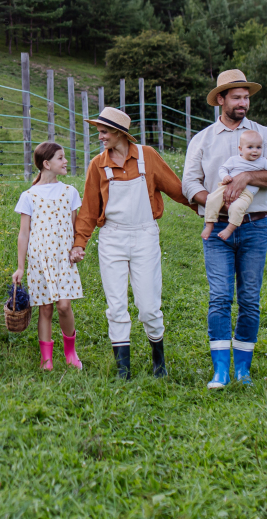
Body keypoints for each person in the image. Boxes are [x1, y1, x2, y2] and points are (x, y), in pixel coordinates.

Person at [72, 107, 194, 380]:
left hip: (144, 236)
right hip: (112, 238)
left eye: (104, 131)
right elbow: (90, 209)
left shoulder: (147, 157)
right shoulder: (97, 165)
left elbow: (177, 189)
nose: (100, 136)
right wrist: (79, 242)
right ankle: (123, 370)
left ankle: (159, 362)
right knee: (116, 306)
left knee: (149, 305)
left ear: (119, 133)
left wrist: (204, 207)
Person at [182, 69, 267, 389]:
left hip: (255, 226)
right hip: (217, 231)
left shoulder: (263, 134)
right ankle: (220, 370)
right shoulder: (203, 139)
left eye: (246, 97)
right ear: (221, 100)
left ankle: (243, 369)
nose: (243, 103)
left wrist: (246, 178)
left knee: (250, 299)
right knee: (220, 297)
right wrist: (215, 203)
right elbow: (189, 183)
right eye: (237, 97)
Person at [12, 141, 85, 370]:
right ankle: (46, 360)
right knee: (45, 308)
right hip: (38, 260)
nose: (65, 162)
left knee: (64, 306)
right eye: (61, 158)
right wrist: (20, 267)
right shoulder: (29, 195)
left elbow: (75, 227)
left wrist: (77, 248)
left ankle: (70, 353)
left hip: (62, 258)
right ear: (47, 163)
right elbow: (24, 234)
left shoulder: (69, 192)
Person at [199, 130, 267, 242]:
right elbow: (223, 169)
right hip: (226, 187)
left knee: (237, 208)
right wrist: (225, 176)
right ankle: (209, 224)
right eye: (250, 147)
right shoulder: (234, 160)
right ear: (240, 149)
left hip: (247, 194)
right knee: (212, 199)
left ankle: (230, 228)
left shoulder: (263, 162)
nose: (255, 151)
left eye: (258, 147)